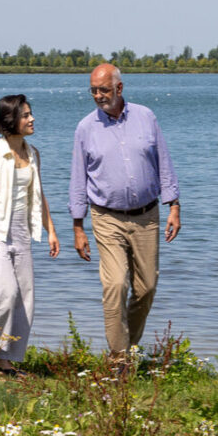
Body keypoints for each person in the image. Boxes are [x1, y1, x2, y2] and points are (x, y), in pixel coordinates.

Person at [69, 64, 181, 363]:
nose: (97, 95)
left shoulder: (146, 117)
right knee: (115, 283)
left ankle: (126, 345)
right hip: (106, 217)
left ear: (120, 88)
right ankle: (119, 359)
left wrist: (174, 205)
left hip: (147, 215)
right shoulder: (85, 128)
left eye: (103, 89)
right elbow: (78, 180)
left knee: (146, 288)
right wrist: (78, 226)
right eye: (93, 89)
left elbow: (164, 162)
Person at [0, 94, 59, 377]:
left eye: (31, 114)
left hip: (22, 232)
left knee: (23, 298)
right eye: (26, 115)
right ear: (10, 120)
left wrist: (51, 230)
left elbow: (38, 196)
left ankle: (6, 361)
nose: (32, 119)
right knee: (5, 292)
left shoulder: (33, 154)